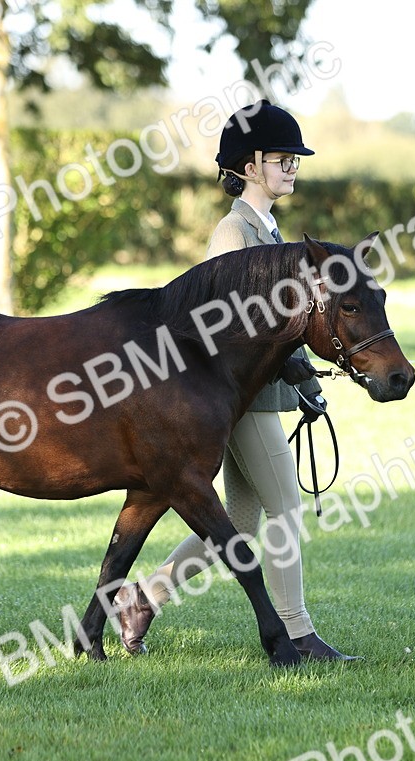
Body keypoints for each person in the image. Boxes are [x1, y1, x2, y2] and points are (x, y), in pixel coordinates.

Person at [113, 101, 360, 661]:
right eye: (281, 158)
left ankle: (143, 599)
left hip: (265, 394)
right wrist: (288, 362)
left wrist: (299, 370)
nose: (293, 166)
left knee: (239, 523)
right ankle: (298, 632)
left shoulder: (270, 228)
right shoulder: (234, 231)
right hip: (240, 402)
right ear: (249, 166)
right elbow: (226, 325)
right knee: (286, 510)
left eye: (295, 159)